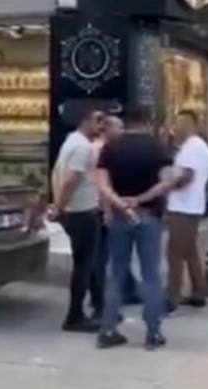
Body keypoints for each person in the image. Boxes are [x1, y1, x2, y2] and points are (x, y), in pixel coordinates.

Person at [96, 106, 173, 351]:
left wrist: (120, 203)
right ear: (147, 121)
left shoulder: (111, 147)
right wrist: (139, 199)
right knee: (150, 274)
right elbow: (167, 182)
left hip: (120, 218)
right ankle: (153, 333)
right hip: (148, 215)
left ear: (125, 122)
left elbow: (102, 184)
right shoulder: (157, 147)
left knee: (117, 272)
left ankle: (108, 329)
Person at [51, 106, 105, 333]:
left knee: (87, 263)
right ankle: (75, 316)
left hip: (77, 210)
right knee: (84, 265)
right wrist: (59, 206)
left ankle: (98, 304)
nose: (102, 125)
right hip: (81, 212)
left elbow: (58, 174)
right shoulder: (82, 147)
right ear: (85, 121)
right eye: (98, 120)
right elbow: (70, 180)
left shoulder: (71, 142)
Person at [165, 110, 208, 313]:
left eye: (179, 123)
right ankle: (198, 291)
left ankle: (171, 296)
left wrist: (168, 185)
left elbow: (187, 176)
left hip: (183, 207)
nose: (175, 128)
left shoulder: (193, 147)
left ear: (190, 124)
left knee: (174, 253)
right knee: (189, 251)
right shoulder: (192, 146)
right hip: (190, 205)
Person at [94, 116, 141, 309]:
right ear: (107, 129)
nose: (122, 131)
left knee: (116, 251)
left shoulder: (112, 149)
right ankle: (102, 295)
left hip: (112, 205)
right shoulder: (100, 149)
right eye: (119, 127)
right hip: (102, 207)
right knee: (105, 254)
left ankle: (126, 289)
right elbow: (102, 185)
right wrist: (107, 210)